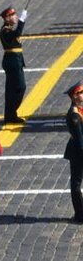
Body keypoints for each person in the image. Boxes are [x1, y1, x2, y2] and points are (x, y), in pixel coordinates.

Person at [0, 6, 28, 124]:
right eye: (12, 15)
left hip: (16, 60)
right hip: (12, 61)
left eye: (15, 15)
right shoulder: (5, 30)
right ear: (6, 18)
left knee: (11, 90)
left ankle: (10, 115)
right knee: (20, 87)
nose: (15, 17)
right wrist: (22, 21)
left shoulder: (8, 29)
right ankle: (11, 113)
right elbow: (17, 33)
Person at [65, 82, 83, 223]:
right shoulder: (74, 115)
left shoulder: (80, 110)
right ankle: (80, 213)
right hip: (78, 151)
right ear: (74, 97)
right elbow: (79, 139)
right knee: (76, 183)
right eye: (80, 93)